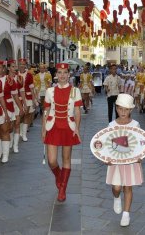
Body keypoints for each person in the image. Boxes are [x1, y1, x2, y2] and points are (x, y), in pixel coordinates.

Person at [42, 63, 82, 202]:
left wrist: (77, 128)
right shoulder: (50, 91)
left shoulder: (75, 91)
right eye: (60, 72)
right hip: (52, 126)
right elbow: (46, 111)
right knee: (52, 161)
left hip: (68, 126)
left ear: (69, 74)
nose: (62, 75)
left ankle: (63, 188)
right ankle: (59, 178)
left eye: (65, 72)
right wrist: (43, 130)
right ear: (56, 74)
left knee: (66, 159)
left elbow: (77, 111)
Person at [106, 93, 143, 227]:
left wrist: (140, 156)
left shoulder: (135, 124)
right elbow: (106, 145)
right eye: (120, 108)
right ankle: (116, 197)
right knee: (116, 187)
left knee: (128, 187)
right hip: (116, 161)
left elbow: (140, 142)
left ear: (131, 110)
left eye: (126, 109)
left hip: (131, 161)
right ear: (116, 108)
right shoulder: (111, 125)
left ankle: (126, 213)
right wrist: (106, 158)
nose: (123, 112)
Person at [7, 60, 25, 153]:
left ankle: (15, 145)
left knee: (17, 123)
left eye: (15, 66)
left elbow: (22, 91)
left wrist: (24, 104)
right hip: (8, 103)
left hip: (17, 102)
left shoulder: (20, 78)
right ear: (8, 68)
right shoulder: (5, 78)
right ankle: (9, 141)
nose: (15, 68)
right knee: (9, 126)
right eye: (13, 67)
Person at [18, 58, 37, 142]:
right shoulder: (15, 74)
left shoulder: (29, 75)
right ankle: (20, 132)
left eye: (23, 64)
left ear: (25, 65)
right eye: (20, 64)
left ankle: (24, 134)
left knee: (26, 115)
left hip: (28, 97)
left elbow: (32, 88)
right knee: (20, 115)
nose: (22, 66)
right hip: (18, 98)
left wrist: (34, 100)